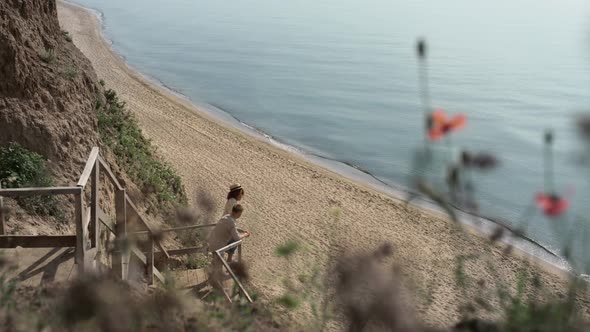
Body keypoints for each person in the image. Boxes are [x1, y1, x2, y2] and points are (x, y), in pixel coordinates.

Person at [208, 204, 250, 289]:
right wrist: (245, 234)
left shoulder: (226, 217)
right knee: (218, 265)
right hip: (218, 246)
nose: (240, 216)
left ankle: (213, 278)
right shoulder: (231, 222)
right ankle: (218, 286)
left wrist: (240, 230)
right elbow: (237, 237)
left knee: (216, 263)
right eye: (240, 214)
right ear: (237, 213)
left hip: (212, 241)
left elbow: (231, 228)